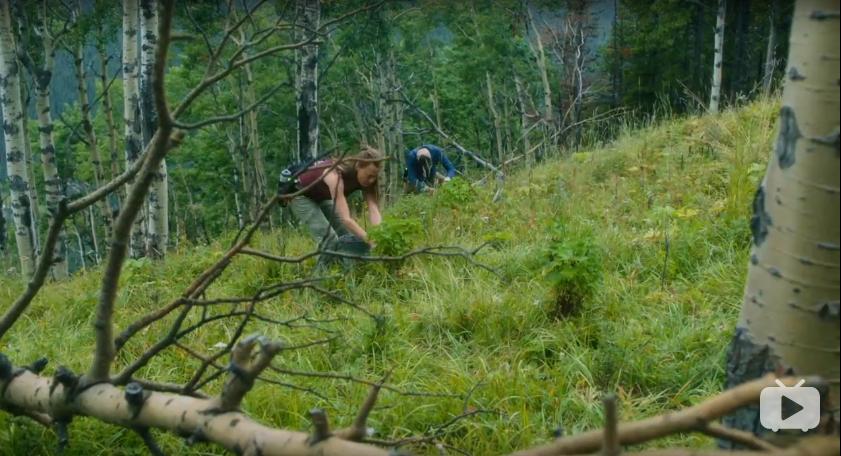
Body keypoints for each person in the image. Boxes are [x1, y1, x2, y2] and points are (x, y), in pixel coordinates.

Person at [289, 147, 385, 258]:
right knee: (329, 239)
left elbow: (373, 209)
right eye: (369, 176)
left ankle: (345, 267)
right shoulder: (335, 175)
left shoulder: (368, 180)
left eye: (374, 176)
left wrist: (380, 235)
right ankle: (322, 272)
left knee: (346, 236)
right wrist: (370, 240)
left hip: (322, 196)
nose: (372, 180)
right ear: (358, 165)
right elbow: (346, 219)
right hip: (300, 195)